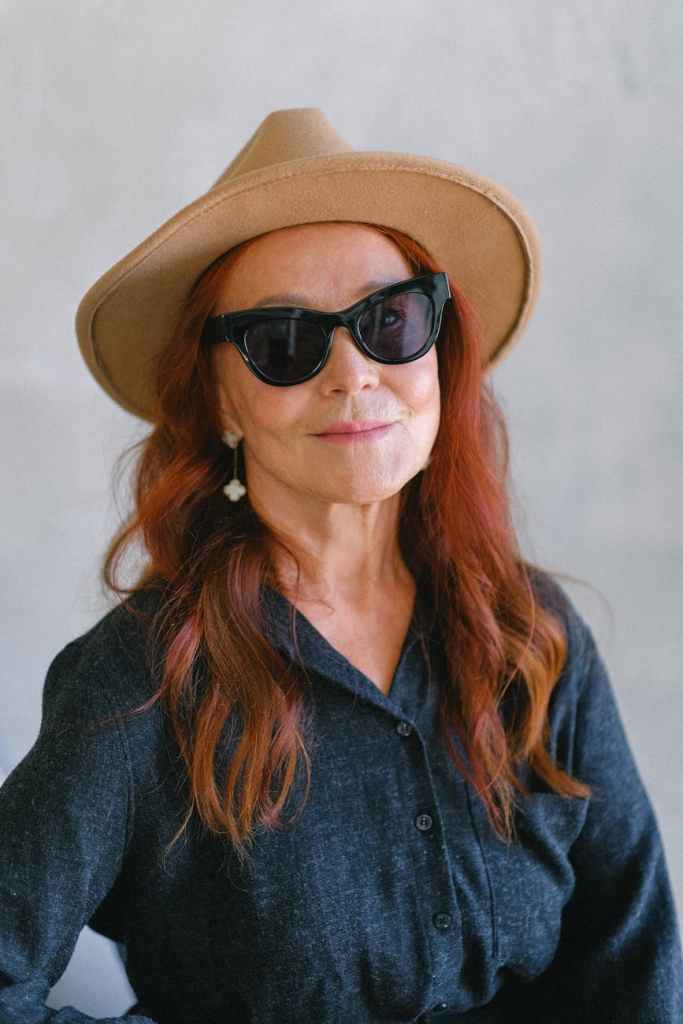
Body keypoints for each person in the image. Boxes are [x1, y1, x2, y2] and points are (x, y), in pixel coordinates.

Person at [0, 107, 680, 1024]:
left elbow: (634, 968)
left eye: (389, 320)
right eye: (283, 341)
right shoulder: (139, 681)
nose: (353, 373)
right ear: (219, 400)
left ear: (438, 356)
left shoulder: (532, 634)